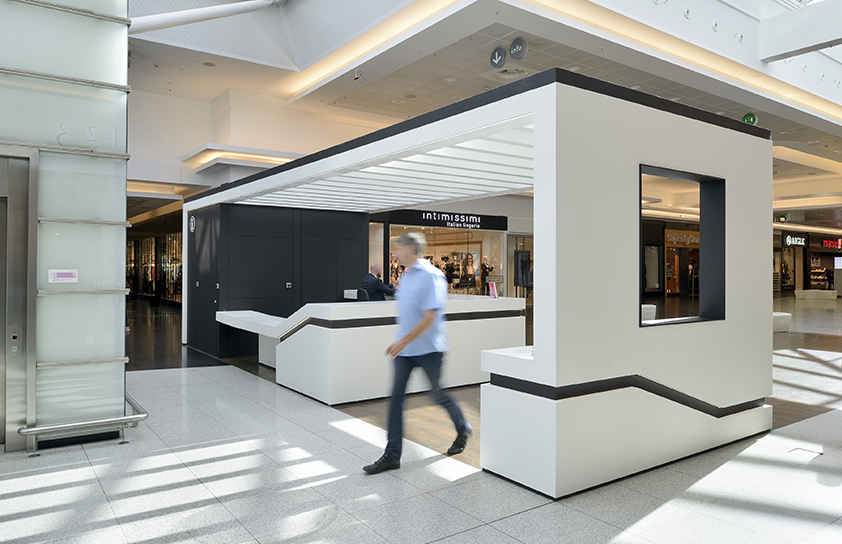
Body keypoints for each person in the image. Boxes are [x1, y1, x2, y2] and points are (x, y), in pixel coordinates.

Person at [363, 232, 472, 475]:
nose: (395, 253)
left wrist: (402, 340)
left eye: (398, 248)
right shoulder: (407, 274)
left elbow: (429, 317)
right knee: (395, 400)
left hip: (429, 348)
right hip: (406, 350)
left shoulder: (432, 276)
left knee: (437, 394)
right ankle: (392, 455)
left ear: (411, 248)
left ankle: (462, 427)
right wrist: (402, 342)